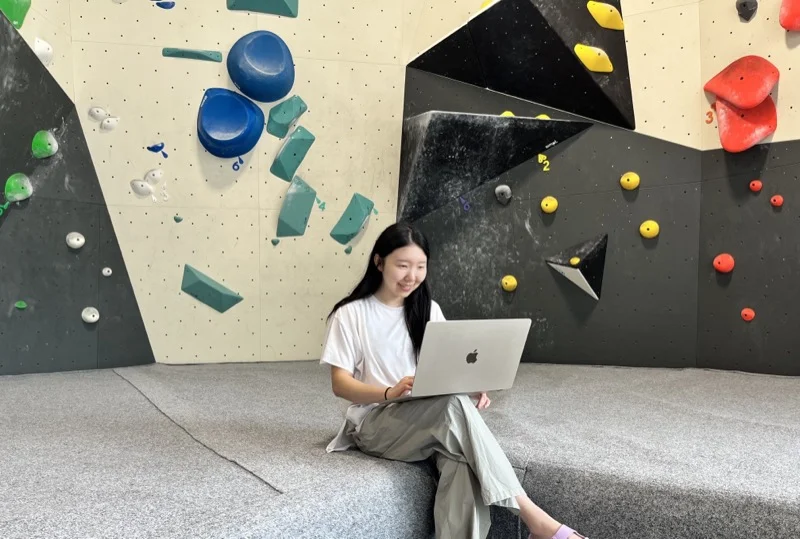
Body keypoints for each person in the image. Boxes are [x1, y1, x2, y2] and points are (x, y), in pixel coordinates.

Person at [319, 222, 588, 539]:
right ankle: (536, 520)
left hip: (427, 413)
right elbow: (341, 385)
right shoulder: (350, 314)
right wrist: (390, 392)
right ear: (379, 262)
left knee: (461, 462)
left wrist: (467, 384)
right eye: (402, 266)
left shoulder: (428, 309)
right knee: (452, 408)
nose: (412, 276)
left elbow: (443, 369)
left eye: (420, 267)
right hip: (374, 422)